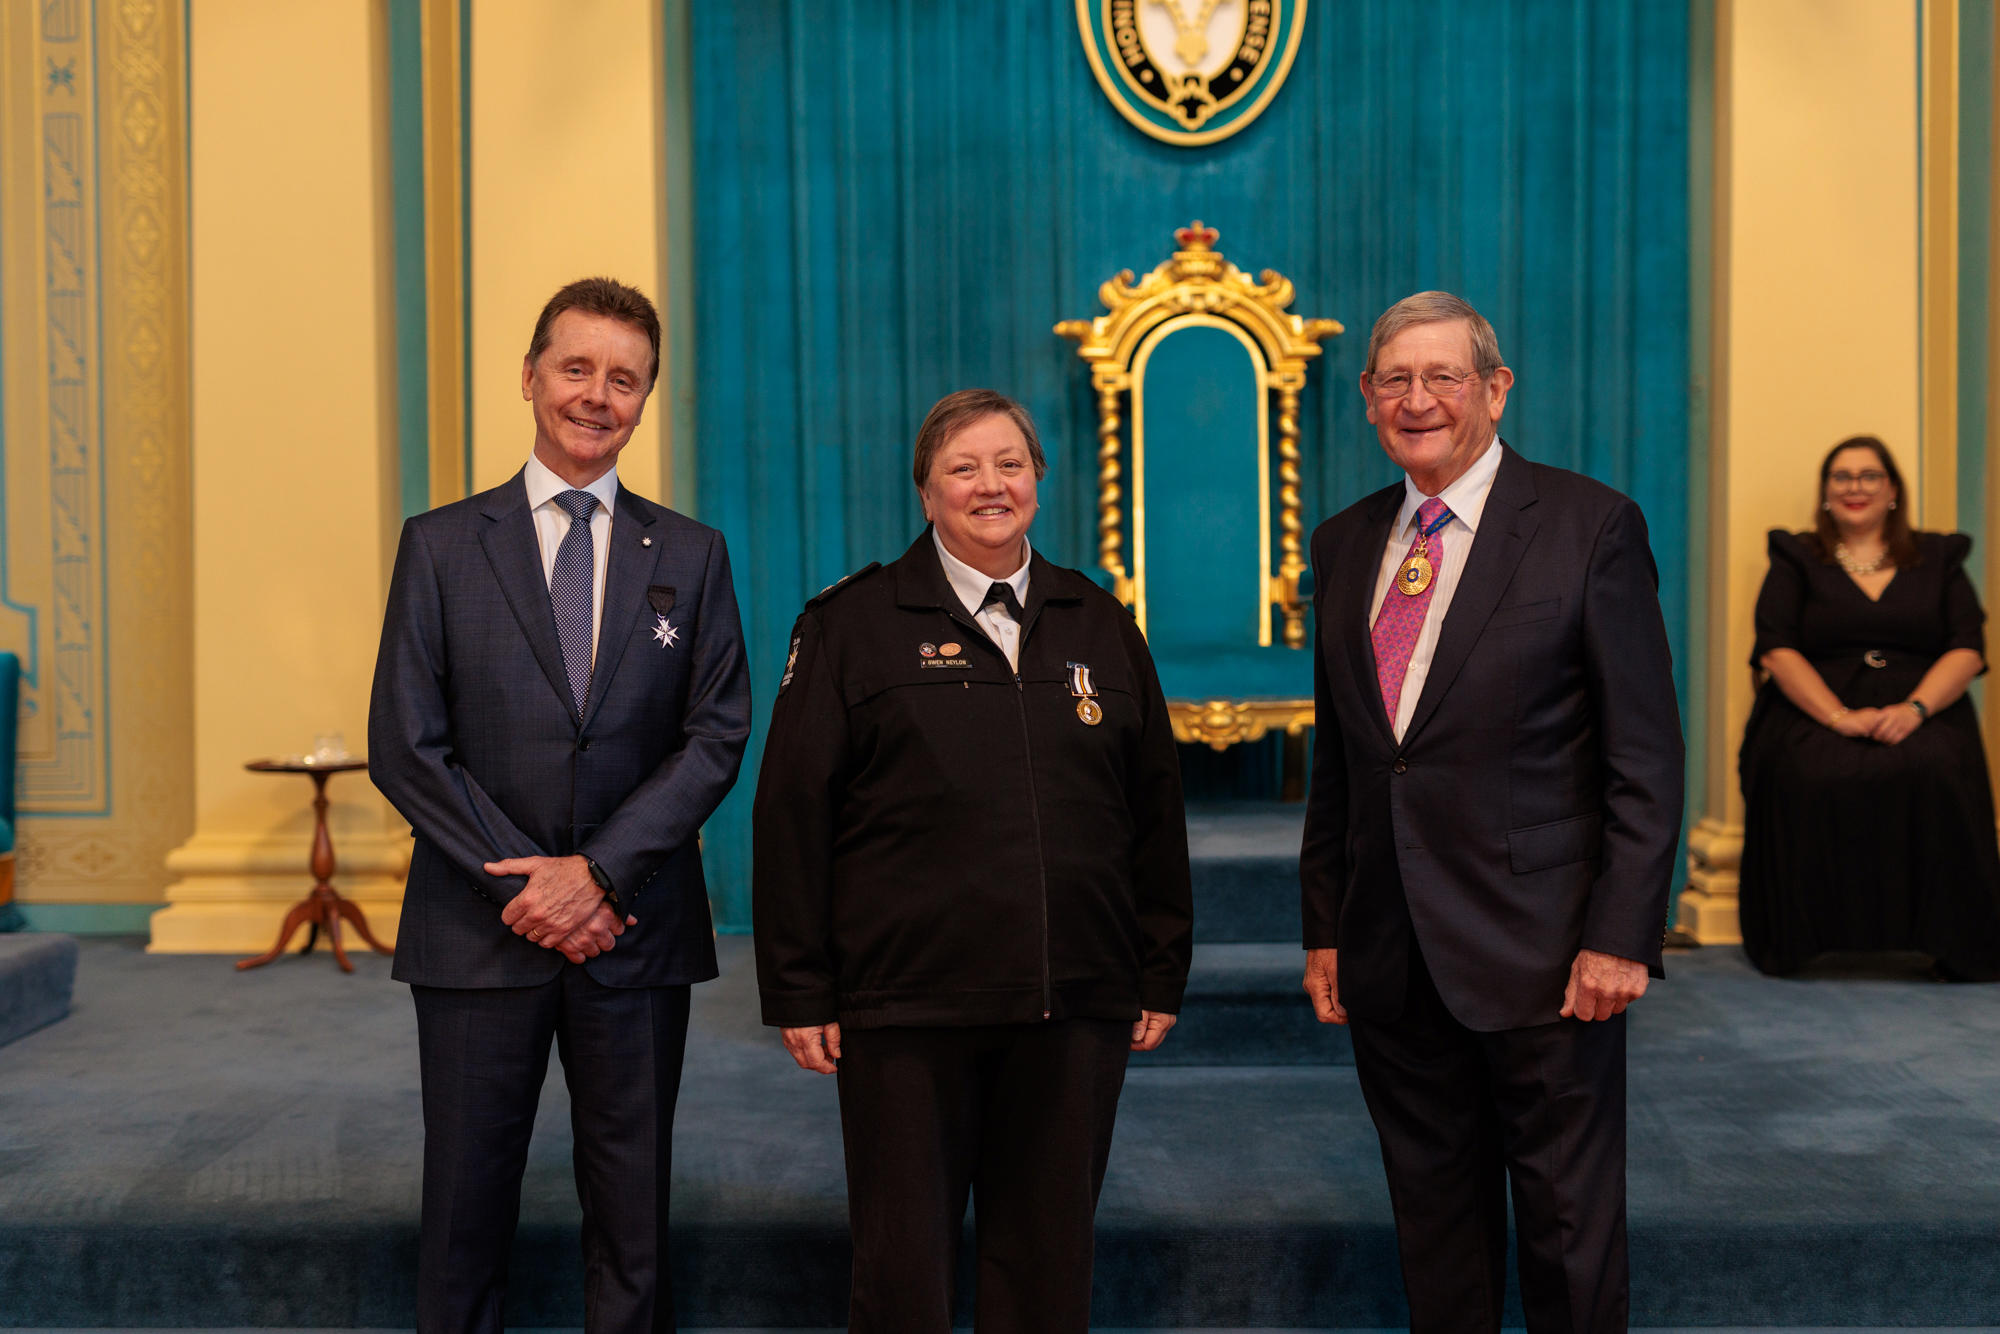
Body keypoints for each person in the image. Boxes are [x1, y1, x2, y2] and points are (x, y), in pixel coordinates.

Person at [751, 388, 1193, 1333]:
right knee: (904, 1273)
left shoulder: (1100, 621)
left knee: (1046, 1271)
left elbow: (1153, 808)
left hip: (1071, 1001)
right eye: (964, 467)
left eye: (1009, 464)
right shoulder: (850, 623)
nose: (990, 485)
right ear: (926, 492)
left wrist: (1158, 965)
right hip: (909, 1007)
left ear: (1039, 478)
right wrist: (799, 987)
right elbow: (791, 813)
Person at [368, 276, 751, 1334]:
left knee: (632, 1219)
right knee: (463, 1211)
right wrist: (532, 883)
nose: (597, 394)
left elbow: (715, 734)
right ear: (530, 376)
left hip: (634, 930)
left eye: (623, 378)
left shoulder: (691, 553)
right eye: (576, 368)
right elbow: (405, 745)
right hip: (476, 927)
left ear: (644, 400)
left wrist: (596, 876)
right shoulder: (441, 544)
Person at [1299, 292, 1684, 1333]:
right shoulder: (1341, 546)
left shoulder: (1586, 524)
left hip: (1547, 953)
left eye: (1442, 377)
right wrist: (1326, 922)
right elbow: (1342, 758)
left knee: (1565, 1232)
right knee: (1433, 1225)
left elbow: (1642, 755)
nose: (1415, 399)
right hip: (1390, 950)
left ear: (1494, 388)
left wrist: (1619, 935)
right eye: (1393, 379)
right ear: (1367, 399)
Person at [1737, 435, 2000, 980]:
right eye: (1842, 476)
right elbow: (1776, 648)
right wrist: (1838, 717)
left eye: (1869, 475)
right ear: (1826, 492)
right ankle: (1800, 942)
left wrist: (1916, 710)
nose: (1855, 487)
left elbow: (1968, 648)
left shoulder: (1940, 557)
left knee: (1937, 767)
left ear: (1893, 490)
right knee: (1809, 771)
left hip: (1921, 704)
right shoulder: (1795, 557)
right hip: (1816, 706)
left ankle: (1952, 942)